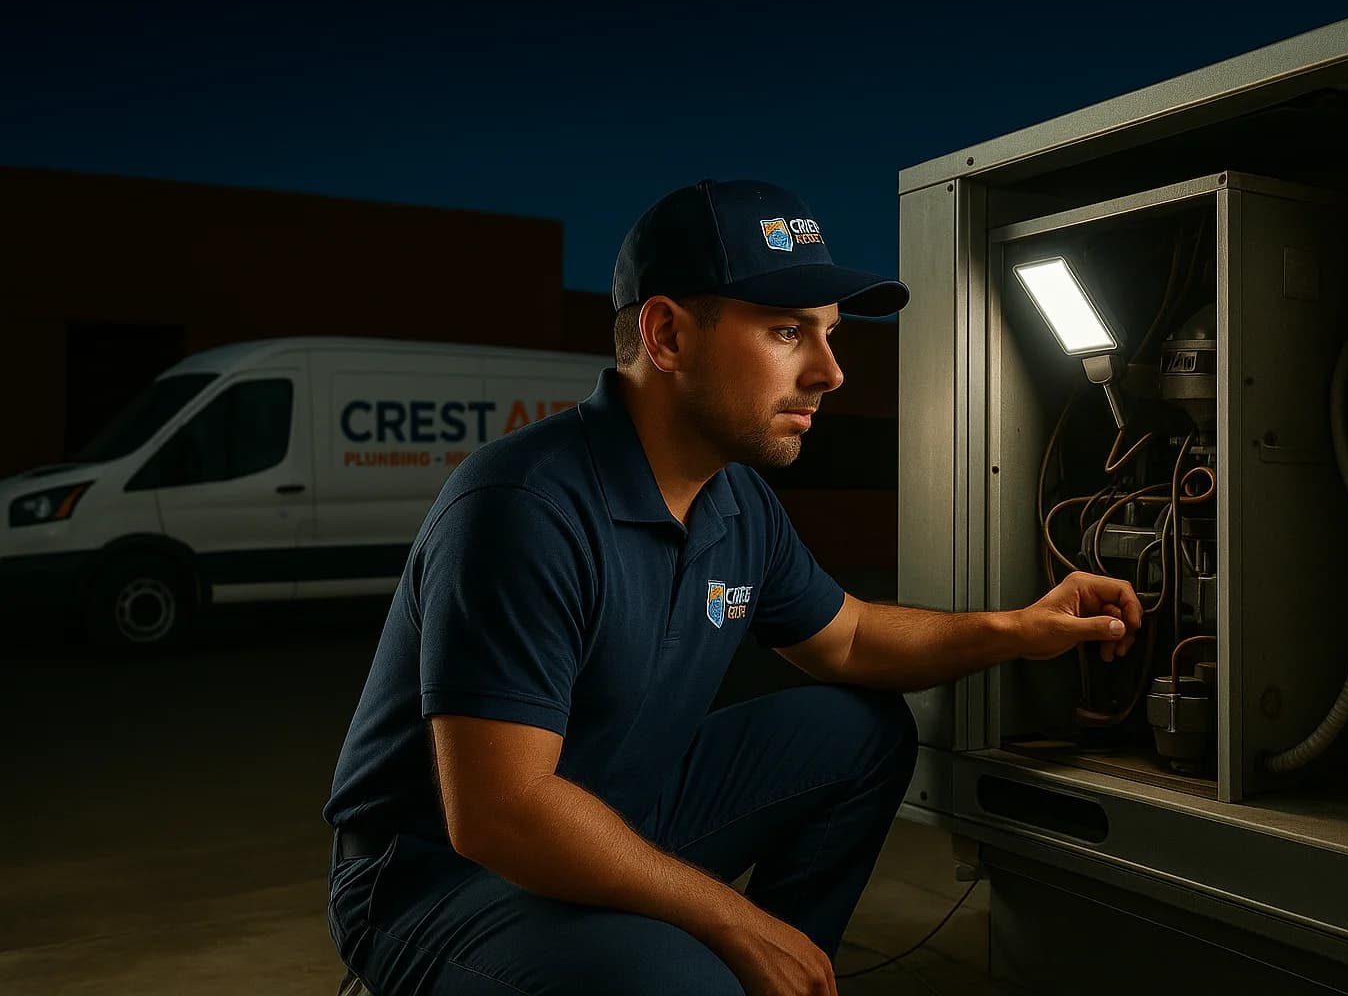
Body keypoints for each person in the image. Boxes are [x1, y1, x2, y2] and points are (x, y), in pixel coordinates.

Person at [323, 178, 1142, 996]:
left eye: (829, 334)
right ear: (668, 334)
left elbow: (849, 639)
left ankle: (782, 977)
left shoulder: (734, 499)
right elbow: (500, 812)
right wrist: (729, 917)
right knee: (688, 980)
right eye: (789, 332)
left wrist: (1018, 629)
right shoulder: (521, 507)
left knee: (860, 728)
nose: (831, 372)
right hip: (442, 880)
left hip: (615, 811)